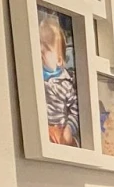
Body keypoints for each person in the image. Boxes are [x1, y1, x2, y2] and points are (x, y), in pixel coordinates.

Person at [40, 13, 80, 147]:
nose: (41, 52)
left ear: (59, 60)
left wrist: (69, 129)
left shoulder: (66, 84)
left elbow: (76, 110)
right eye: (39, 49)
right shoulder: (38, 80)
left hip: (62, 131)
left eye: (46, 50)